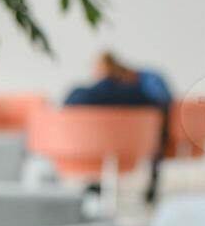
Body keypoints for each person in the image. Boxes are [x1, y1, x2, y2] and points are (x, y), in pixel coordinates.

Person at [63, 50, 173, 202]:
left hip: (96, 146)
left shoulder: (80, 94)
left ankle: (99, 182)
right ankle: (101, 182)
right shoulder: (137, 96)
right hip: (127, 144)